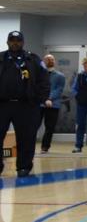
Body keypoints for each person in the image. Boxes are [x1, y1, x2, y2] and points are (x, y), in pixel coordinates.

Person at [0, 31, 49, 177]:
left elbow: (44, 81)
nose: (15, 43)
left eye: (18, 41)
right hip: (2, 105)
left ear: (23, 42)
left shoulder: (32, 59)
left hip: (26, 105)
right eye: (12, 40)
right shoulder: (1, 58)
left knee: (26, 137)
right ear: (7, 42)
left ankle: (24, 166)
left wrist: (41, 98)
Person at [40, 54, 66, 154]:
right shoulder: (40, 75)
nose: (50, 60)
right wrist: (44, 99)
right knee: (34, 125)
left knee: (49, 127)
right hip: (40, 104)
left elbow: (59, 90)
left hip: (53, 105)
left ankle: (45, 147)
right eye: (48, 59)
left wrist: (49, 99)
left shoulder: (60, 76)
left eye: (52, 59)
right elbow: (38, 88)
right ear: (44, 61)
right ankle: (29, 146)